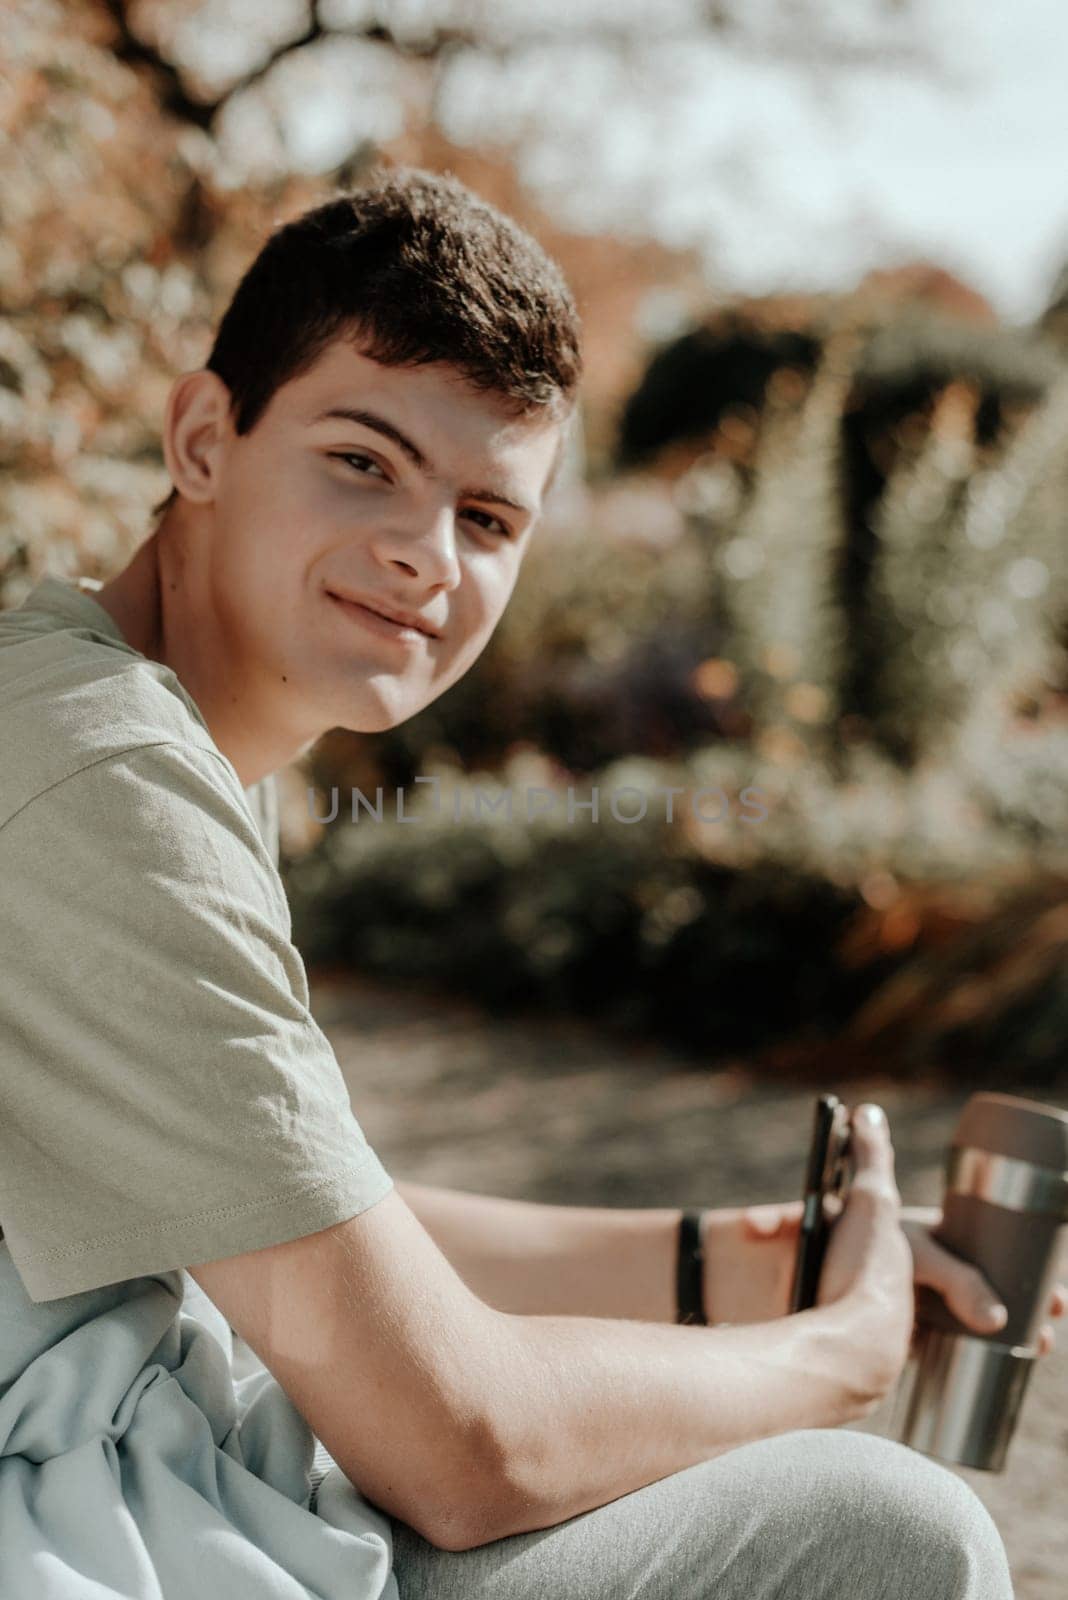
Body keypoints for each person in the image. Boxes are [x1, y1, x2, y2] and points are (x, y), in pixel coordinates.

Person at [0, 165, 1062, 1600]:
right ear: (203, 436)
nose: (423, 555)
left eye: (488, 519)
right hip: (120, 1537)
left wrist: (736, 1265)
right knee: (890, 1529)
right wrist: (834, 1355)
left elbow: (307, 1222)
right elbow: (461, 1443)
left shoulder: (128, 721)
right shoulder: (101, 771)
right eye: (364, 460)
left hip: (178, 1484)